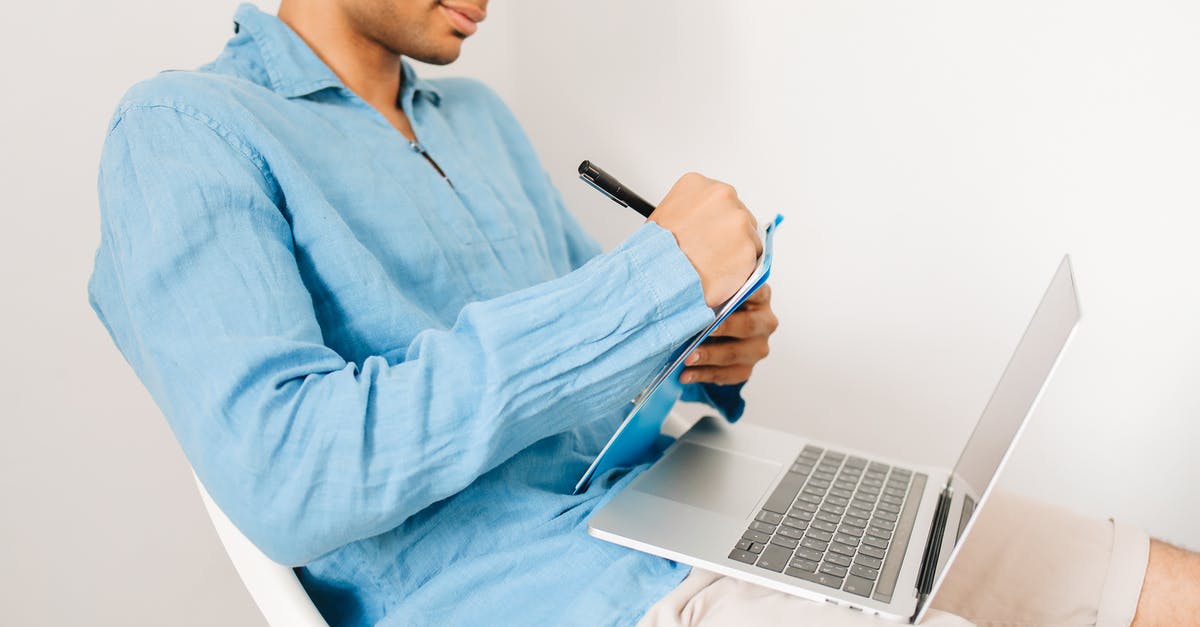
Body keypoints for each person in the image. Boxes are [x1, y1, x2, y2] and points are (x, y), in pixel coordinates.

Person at [87, 2, 1198, 625]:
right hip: (558, 598)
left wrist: (702, 350)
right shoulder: (188, 130)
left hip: (676, 512)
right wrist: (652, 281)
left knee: (1140, 582)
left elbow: (608, 397)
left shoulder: (478, 118)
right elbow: (289, 475)